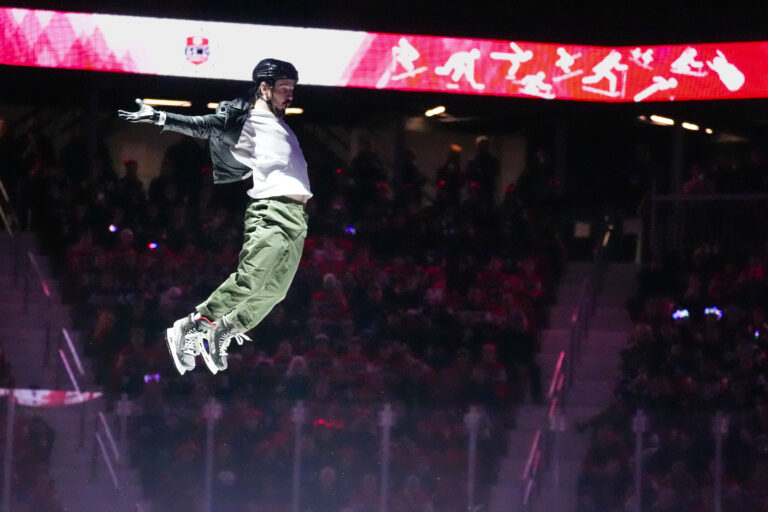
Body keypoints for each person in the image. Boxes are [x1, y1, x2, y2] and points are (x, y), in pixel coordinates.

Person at [118, 58, 311, 376]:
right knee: (251, 280)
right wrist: (160, 116)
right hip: (271, 211)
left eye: (293, 88)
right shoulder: (244, 119)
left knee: (276, 290)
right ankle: (193, 326)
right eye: (284, 88)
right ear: (264, 88)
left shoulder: (282, 126)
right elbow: (202, 125)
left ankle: (226, 328)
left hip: (297, 217)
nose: (290, 94)